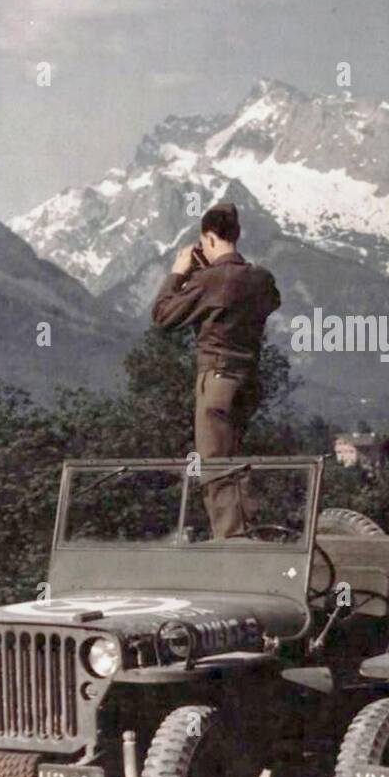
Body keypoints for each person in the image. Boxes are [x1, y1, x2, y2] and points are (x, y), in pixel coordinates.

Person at [151, 202, 280, 537]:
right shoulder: (261, 278)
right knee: (237, 459)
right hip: (248, 379)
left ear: (208, 238)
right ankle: (249, 531)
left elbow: (163, 316)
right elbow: (270, 301)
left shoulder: (209, 280)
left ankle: (230, 542)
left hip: (217, 377)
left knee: (215, 463)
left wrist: (179, 274)